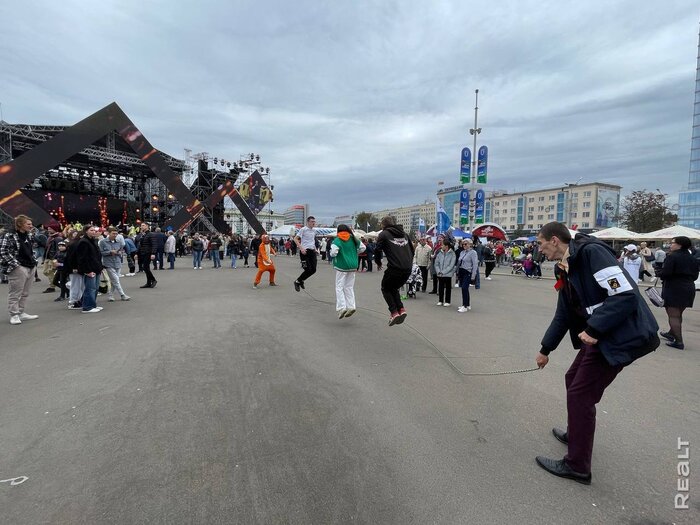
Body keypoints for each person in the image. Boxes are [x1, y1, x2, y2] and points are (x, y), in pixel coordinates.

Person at [534, 222, 659, 485]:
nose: (540, 249)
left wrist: (594, 328)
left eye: (541, 243)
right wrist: (545, 349)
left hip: (620, 335)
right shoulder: (566, 267)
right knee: (573, 379)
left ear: (554, 240)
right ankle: (576, 433)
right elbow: (564, 314)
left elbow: (624, 295)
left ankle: (577, 465)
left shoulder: (591, 253)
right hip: (603, 334)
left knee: (581, 393)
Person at [659, 236, 699, 350]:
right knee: (678, 313)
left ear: (679, 245)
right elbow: (695, 276)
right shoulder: (693, 259)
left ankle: (679, 341)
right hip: (689, 287)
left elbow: (666, 273)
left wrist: (659, 272)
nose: (670, 245)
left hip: (674, 287)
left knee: (673, 315)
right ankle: (672, 333)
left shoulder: (672, 257)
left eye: (672, 243)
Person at [0, 214, 40, 325]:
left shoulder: (29, 235)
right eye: (28, 224)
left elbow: (31, 249)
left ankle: (21, 312)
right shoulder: (9, 235)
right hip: (18, 267)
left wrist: (34, 261)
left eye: (31, 224)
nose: (31, 226)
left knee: (25, 292)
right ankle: (14, 314)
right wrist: (16, 265)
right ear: (20, 224)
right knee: (15, 293)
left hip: (30, 266)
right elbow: (3, 251)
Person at [374, 216, 414, 325]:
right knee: (393, 288)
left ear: (383, 225)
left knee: (385, 288)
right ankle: (401, 309)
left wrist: (378, 262)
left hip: (395, 268)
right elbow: (412, 249)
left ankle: (394, 313)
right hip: (407, 269)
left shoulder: (384, 234)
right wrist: (408, 263)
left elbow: (377, 250)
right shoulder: (405, 235)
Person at [330, 224, 366, 319]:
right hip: (353, 266)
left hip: (342, 266)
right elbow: (363, 248)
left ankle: (342, 308)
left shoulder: (337, 240)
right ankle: (351, 306)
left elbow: (334, 252)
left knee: (339, 287)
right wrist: (354, 254)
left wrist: (334, 255)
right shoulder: (354, 239)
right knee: (349, 287)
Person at [75, 225, 104, 313]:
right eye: (91, 230)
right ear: (86, 231)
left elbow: (97, 255)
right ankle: (87, 307)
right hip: (90, 269)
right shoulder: (83, 242)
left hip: (96, 267)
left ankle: (92, 304)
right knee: (90, 288)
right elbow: (82, 258)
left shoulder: (94, 241)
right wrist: (87, 271)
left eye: (94, 230)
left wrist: (100, 267)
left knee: (95, 288)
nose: (94, 232)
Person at [99, 227, 130, 302]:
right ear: (108, 233)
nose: (115, 235)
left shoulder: (119, 241)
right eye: (113, 233)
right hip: (108, 263)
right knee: (116, 280)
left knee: (114, 280)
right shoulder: (102, 242)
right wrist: (110, 252)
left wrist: (120, 253)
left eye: (116, 233)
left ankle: (110, 295)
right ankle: (122, 295)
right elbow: (100, 253)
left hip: (117, 262)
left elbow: (121, 251)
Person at [293, 216, 319, 292]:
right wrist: (301, 248)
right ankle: (297, 281)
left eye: (314, 221)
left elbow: (312, 241)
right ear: (308, 222)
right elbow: (295, 239)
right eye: (312, 221)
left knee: (313, 270)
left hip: (312, 251)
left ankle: (301, 280)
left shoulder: (314, 231)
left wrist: (315, 249)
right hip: (304, 252)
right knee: (307, 269)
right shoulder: (303, 229)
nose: (313, 223)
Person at [457, 239, 478, 312]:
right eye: (463, 244)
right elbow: (459, 262)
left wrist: (473, 275)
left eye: (466, 244)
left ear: (470, 244)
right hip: (462, 271)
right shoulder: (462, 252)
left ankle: (464, 306)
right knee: (464, 288)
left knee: (464, 288)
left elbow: (475, 264)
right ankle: (467, 304)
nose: (464, 245)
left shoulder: (473, 253)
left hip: (468, 271)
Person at [434, 240, 456, 307]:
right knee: (440, 287)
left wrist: (443, 272)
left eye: (442, 245)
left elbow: (451, 265)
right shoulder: (439, 253)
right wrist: (438, 271)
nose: (441, 246)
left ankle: (447, 301)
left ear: (446, 246)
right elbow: (436, 263)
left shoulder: (452, 254)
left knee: (448, 288)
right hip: (440, 273)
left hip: (448, 274)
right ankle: (440, 300)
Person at [137, 223, 157, 288]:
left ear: (147, 226)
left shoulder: (151, 234)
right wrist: (137, 253)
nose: (141, 227)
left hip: (148, 253)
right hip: (143, 253)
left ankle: (153, 280)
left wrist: (153, 253)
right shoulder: (143, 235)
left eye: (143, 225)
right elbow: (140, 245)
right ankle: (148, 283)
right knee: (146, 267)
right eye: (141, 225)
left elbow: (154, 244)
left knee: (145, 267)